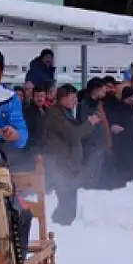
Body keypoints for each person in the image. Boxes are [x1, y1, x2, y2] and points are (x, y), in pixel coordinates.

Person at [42, 85, 102, 225]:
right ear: (62, 98)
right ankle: (57, 228)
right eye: (72, 97)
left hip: (70, 163)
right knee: (66, 202)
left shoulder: (67, 113)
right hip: (60, 163)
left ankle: (59, 227)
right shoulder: (54, 113)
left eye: (76, 97)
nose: (75, 101)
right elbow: (73, 134)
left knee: (69, 202)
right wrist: (90, 123)